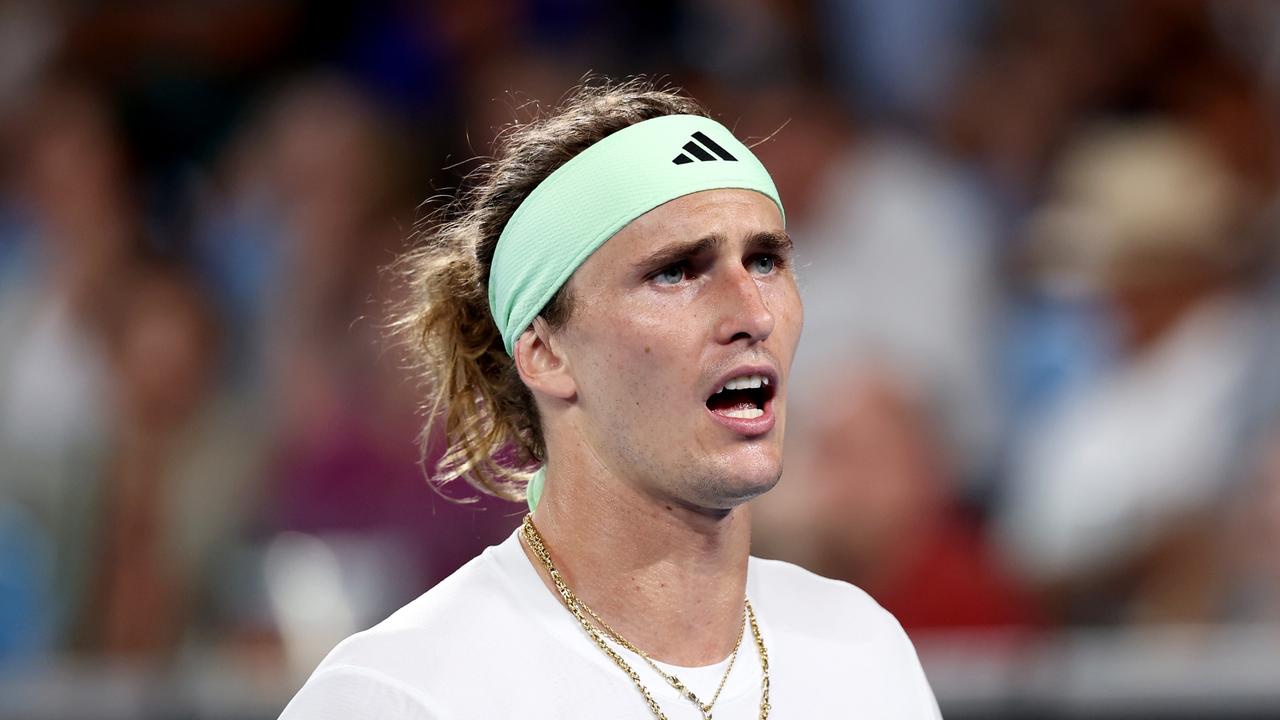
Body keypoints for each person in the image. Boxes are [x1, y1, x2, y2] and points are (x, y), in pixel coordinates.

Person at [280, 79, 941, 719]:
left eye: (765, 260)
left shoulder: (864, 649)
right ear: (544, 352)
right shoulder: (398, 695)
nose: (753, 312)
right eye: (676, 271)